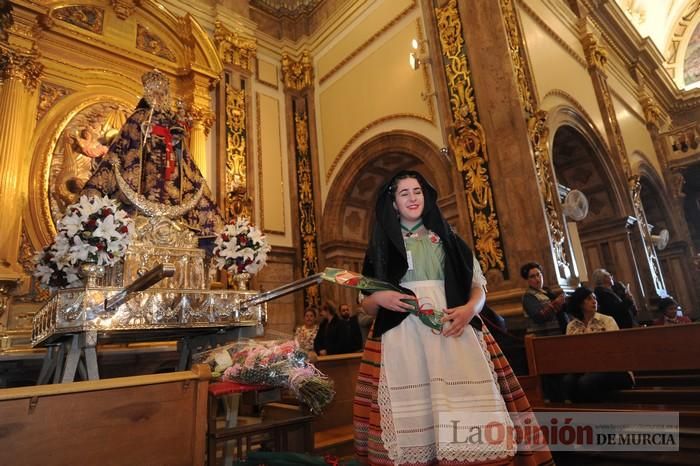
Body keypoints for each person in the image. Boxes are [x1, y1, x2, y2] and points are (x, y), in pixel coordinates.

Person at [354, 170, 552, 465]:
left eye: (417, 191)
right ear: (393, 203)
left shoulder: (449, 239)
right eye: (404, 193)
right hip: (402, 339)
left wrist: (470, 309)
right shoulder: (379, 248)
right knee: (414, 418)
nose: (412, 198)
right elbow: (366, 306)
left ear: (427, 197)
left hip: (453, 330)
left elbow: (478, 287)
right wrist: (379, 298)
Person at [81, 69, 224, 236]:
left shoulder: (172, 122)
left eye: (162, 92)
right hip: (145, 179)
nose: (158, 96)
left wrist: (177, 141)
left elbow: (183, 158)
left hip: (170, 178)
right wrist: (144, 134)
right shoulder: (139, 118)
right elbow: (126, 147)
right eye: (155, 92)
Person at [563, 287, 634, 402]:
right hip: (585, 368)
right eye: (589, 298)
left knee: (586, 381)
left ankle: (598, 415)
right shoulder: (572, 326)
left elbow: (615, 348)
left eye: (595, 298)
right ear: (580, 303)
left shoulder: (607, 321)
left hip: (614, 369)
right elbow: (571, 352)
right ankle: (580, 415)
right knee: (568, 381)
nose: (594, 301)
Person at [520, 261, 568, 336]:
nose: (537, 279)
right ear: (527, 280)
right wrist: (556, 303)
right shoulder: (528, 296)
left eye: (538, 275)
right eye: (532, 277)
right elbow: (538, 317)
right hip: (543, 336)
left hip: (558, 332)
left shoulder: (547, 291)